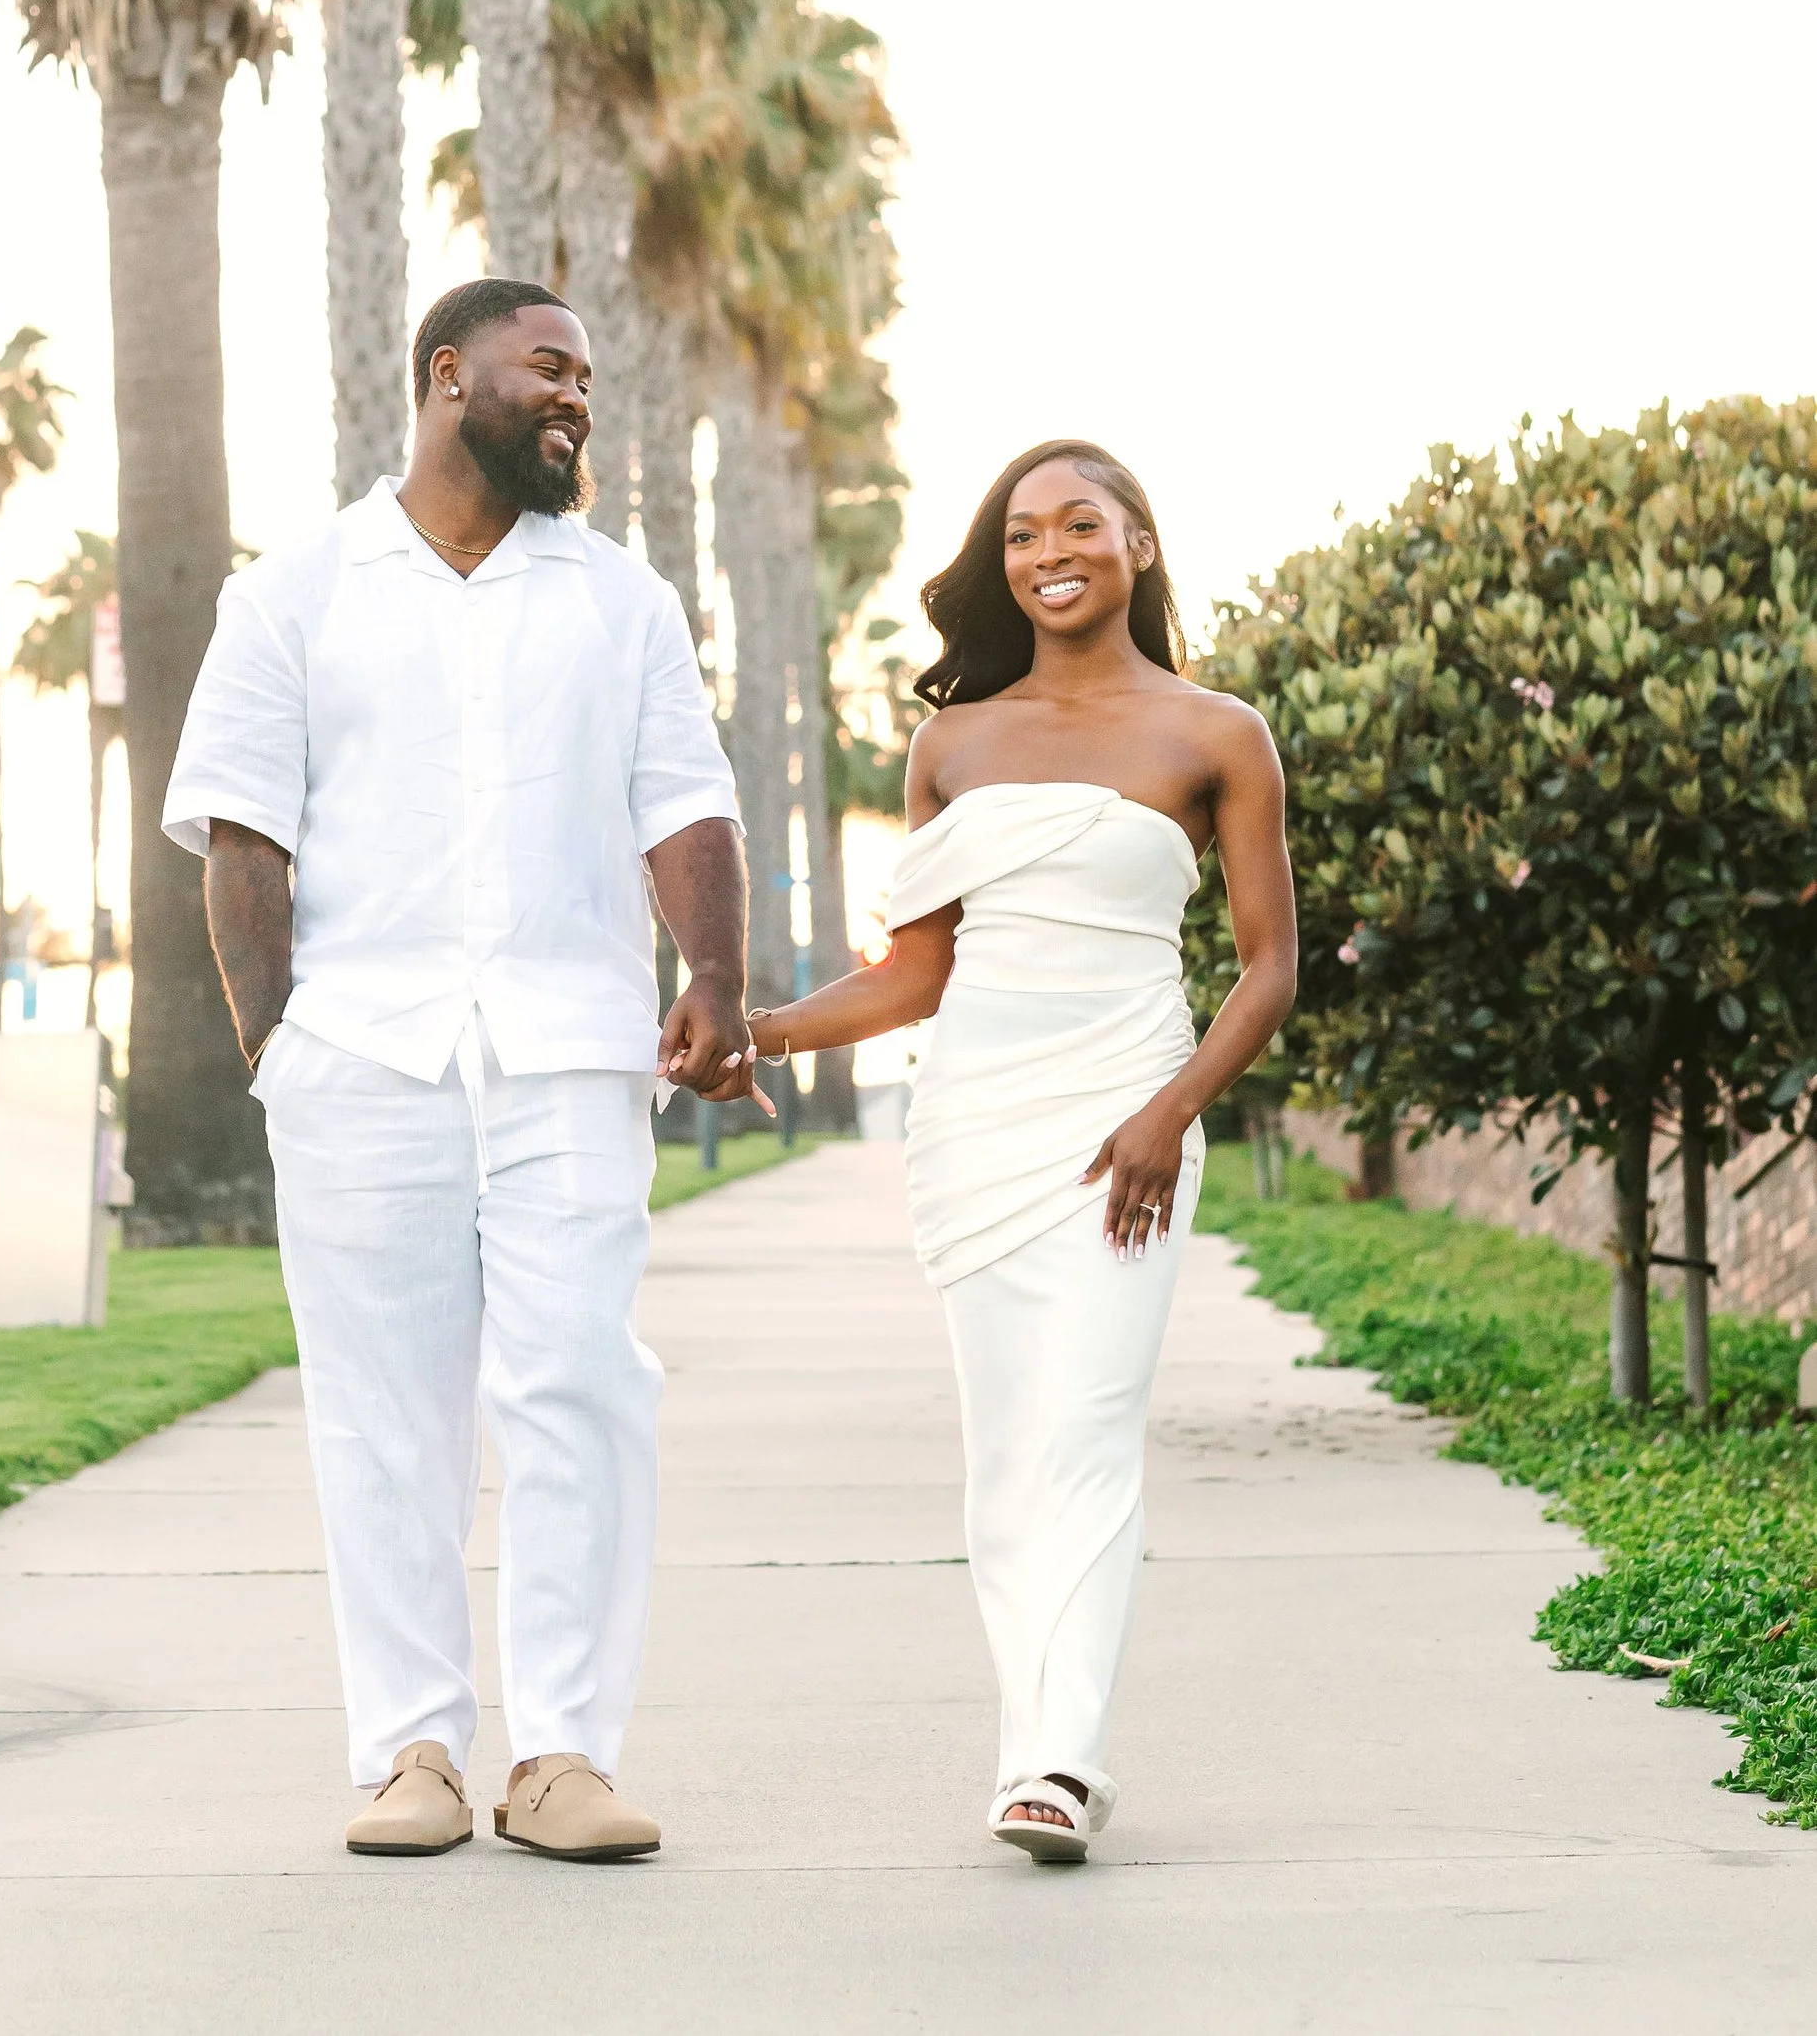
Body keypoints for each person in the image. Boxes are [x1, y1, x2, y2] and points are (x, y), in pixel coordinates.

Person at [162, 278, 760, 1865]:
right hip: (362, 1065)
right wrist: (280, 1050)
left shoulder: (623, 602)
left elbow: (685, 805)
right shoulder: (293, 596)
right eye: (547, 368)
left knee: (582, 1390)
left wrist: (714, 980)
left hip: (569, 1055)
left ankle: (562, 1755)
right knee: (385, 1419)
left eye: (587, 380)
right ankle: (412, 1754)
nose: (576, 398)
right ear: (447, 375)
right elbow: (242, 835)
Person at [738, 440, 1297, 1864]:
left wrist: (1168, 1112)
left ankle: (1063, 1762)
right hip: (976, 1124)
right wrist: (762, 1034)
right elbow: (916, 975)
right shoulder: (953, 745)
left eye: (1079, 524)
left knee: (1090, 1428)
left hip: (1128, 1122)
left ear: (1138, 545)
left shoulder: (1218, 734)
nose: (1050, 552)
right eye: (1022, 534)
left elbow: (1269, 969)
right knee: (1004, 1460)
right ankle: (1026, 1753)